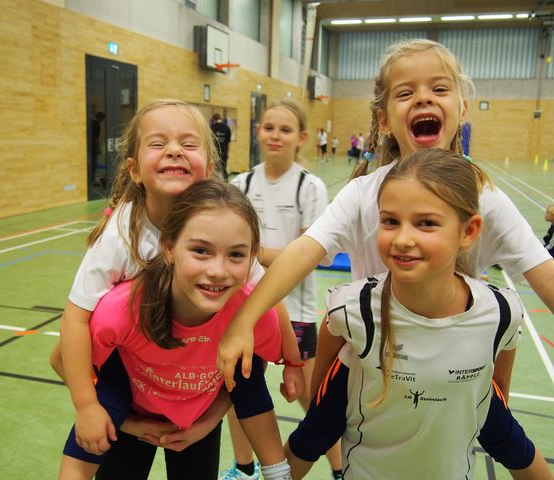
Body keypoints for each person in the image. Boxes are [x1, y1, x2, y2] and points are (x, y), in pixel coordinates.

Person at [216, 38, 554, 473]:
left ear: (462, 108)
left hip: (456, 371)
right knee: (314, 437)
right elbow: (304, 252)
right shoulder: (362, 194)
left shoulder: (484, 197)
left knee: (508, 447)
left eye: (439, 88)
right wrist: (243, 321)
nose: (424, 98)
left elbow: (541, 277)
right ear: (384, 119)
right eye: (406, 92)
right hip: (371, 367)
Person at [50, 99, 303, 479]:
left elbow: (265, 296)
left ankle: (274, 469)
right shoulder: (120, 235)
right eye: (158, 143)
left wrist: (293, 362)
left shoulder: (222, 225)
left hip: (198, 377)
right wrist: (87, 406)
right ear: (134, 169)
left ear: (210, 169)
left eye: (188, 143)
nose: (173, 150)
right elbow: (75, 322)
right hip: (133, 369)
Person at [286, 149, 553, 480]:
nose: (403, 239)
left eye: (426, 223)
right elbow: (314, 430)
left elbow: (504, 424)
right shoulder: (354, 309)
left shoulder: (500, 311)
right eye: (390, 221)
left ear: (469, 231)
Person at [224, 99, 342, 480]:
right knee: (237, 395)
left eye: (286, 129)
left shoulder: (309, 187)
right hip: (246, 311)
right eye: (269, 127)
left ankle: (341, 469)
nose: (276, 136)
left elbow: (309, 255)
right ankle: (244, 469)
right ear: (258, 132)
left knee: (314, 402)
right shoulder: (240, 184)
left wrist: (249, 254)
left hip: (296, 313)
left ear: (301, 138)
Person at [211, 113, 232, 177]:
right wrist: (228, 153)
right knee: (223, 168)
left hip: (214, 152)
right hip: (224, 151)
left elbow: (209, 141)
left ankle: (215, 182)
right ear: (221, 118)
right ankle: (225, 181)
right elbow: (228, 142)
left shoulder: (212, 127)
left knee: (215, 170)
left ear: (214, 119)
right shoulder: (227, 128)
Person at [90, 111, 106, 183]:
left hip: (89, 147)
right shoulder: (96, 125)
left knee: (91, 164)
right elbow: (96, 138)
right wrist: (98, 148)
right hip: (93, 147)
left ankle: (91, 179)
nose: (102, 121)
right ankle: (92, 180)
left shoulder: (91, 123)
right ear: (100, 118)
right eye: (102, 119)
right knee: (93, 164)